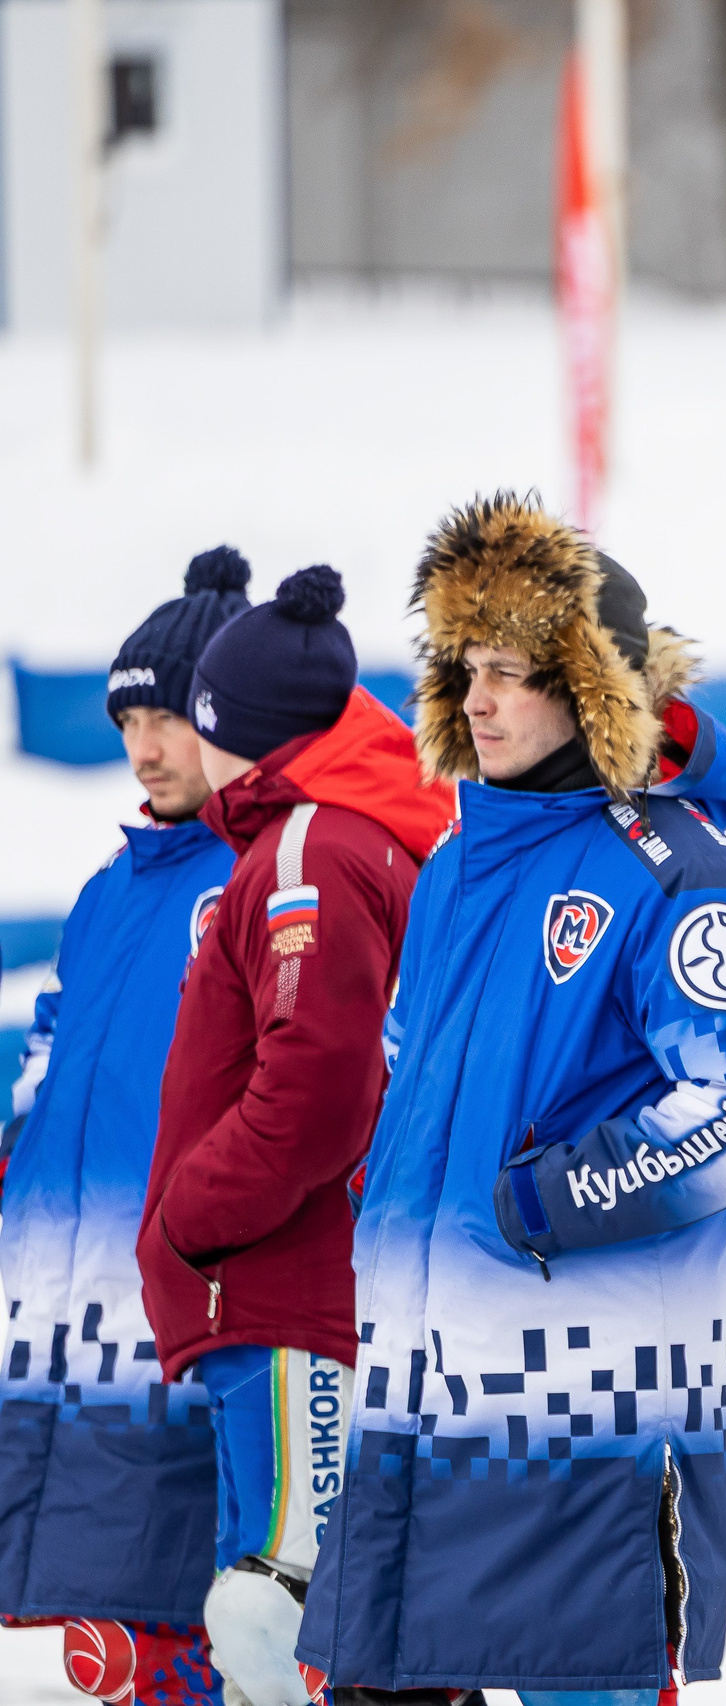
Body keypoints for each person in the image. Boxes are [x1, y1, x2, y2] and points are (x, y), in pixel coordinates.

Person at [294, 496, 726, 1706]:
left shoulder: (677, 871)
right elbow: (411, 1086)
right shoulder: (451, 867)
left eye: (511, 672)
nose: (476, 700)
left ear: (589, 690)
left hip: (587, 1414)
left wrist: (553, 1197)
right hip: (413, 1395)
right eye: (464, 667)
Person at [137, 565, 453, 1706]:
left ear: (239, 731)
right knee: (279, 1608)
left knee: (283, 1610)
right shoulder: (326, 836)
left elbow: (317, 1090)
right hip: (281, 1290)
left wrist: (188, 1219)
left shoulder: (311, 850)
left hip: (289, 1293)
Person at [0, 549, 254, 1706]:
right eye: (130, 721)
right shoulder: (113, 884)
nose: (145, 747)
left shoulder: (262, 873)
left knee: (205, 1619)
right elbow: (52, 1052)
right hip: (67, 1320)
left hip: (193, 1326)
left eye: (170, 719)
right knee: (121, 1635)